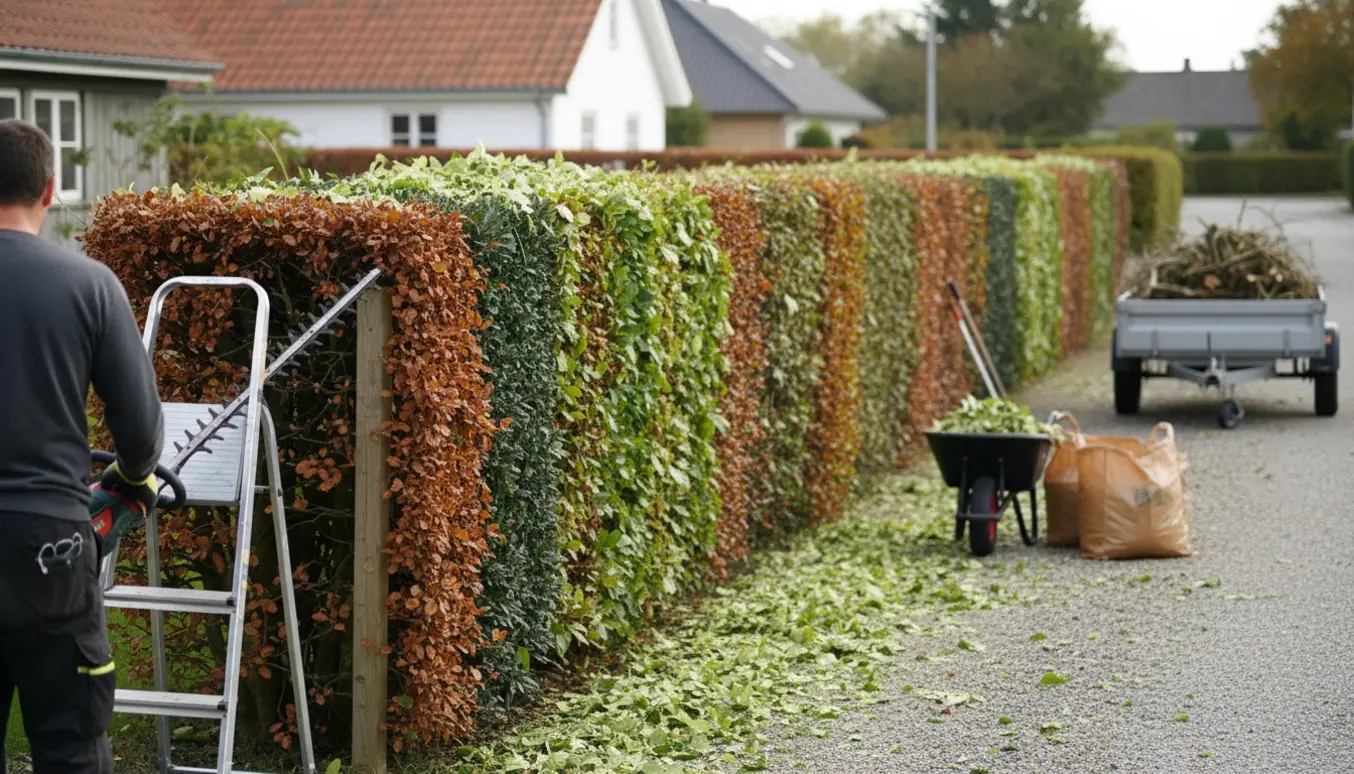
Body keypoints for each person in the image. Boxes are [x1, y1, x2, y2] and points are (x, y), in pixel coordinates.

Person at [0, 118, 165, 773]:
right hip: (52, 548)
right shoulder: (90, 284)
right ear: (49, 190)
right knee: (71, 746)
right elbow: (141, 433)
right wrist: (131, 480)